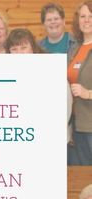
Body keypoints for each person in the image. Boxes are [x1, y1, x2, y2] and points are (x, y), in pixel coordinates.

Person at [68, 1, 92, 165]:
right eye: (83, 16)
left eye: (91, 16)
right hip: (78, 125)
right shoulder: (75, 48)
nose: (87, 20)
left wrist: (87, 93)